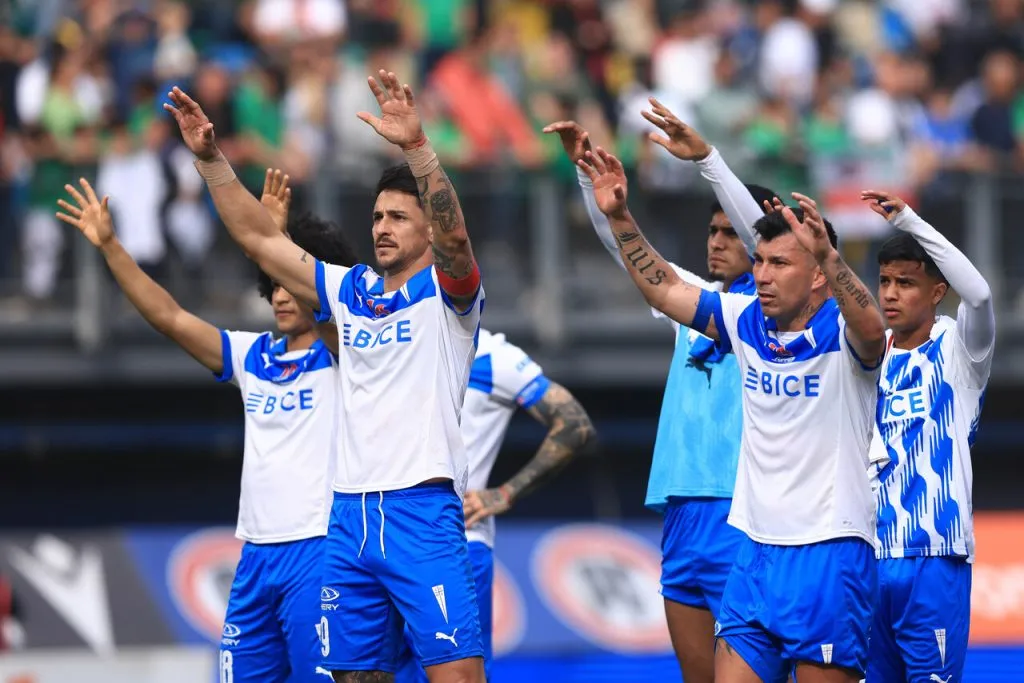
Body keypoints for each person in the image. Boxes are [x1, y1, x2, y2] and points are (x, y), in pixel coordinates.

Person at [164, 70, 487, 682]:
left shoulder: (448, 296)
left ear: (424, 229)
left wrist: (419, 150)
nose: (382, 227)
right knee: (353, 677)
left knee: (458, 675)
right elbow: (261, 240)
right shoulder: (350, 289)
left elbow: (458, 237)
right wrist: (211, 159)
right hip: (346, 517)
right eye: (377, 217)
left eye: (398, 217)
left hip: (421, 506)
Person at [577, 146, 886, 683]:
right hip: (754, 552)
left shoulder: (843, 335)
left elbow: (873, 332)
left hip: (828, 555)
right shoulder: (746, 321)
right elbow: (665, 287)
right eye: (760, 262)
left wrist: (834, 261)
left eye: (779, 264)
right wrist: (620, 215)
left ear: (817, 277)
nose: (762, 275)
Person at [55, 173, 357, 683]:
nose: (280, 296)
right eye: (272, 285)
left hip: (320, 550)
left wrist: (275, 243)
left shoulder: (343, 353)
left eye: (290, 283)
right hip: (255, 557)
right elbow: (171, 318)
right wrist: (110, 247)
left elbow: (328, 303)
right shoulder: (253, 356)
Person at [544, 104, 777, 683]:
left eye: (732, 232)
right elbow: (628, 255)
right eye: (711, 231)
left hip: (742, 511)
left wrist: (709, 162)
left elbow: (769, 236)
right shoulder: (693, 300)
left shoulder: (778, 316)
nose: (718, 242)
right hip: (680, 510)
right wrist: (589, 180)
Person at [395, 328, 596, 683]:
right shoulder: (394, 337)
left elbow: (574, 424)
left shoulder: (491, 354)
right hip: (381, 538)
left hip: (457, 543)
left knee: (461, 676)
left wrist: (505, 493)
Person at [860, 190, 995, 683]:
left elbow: (978, 294)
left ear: (937, 292)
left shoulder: (960, 353)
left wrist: (911, 222)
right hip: (867, 558)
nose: (891, 293)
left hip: (934, 558)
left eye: (906, 283)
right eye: (885, 281)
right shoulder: (865, 354)